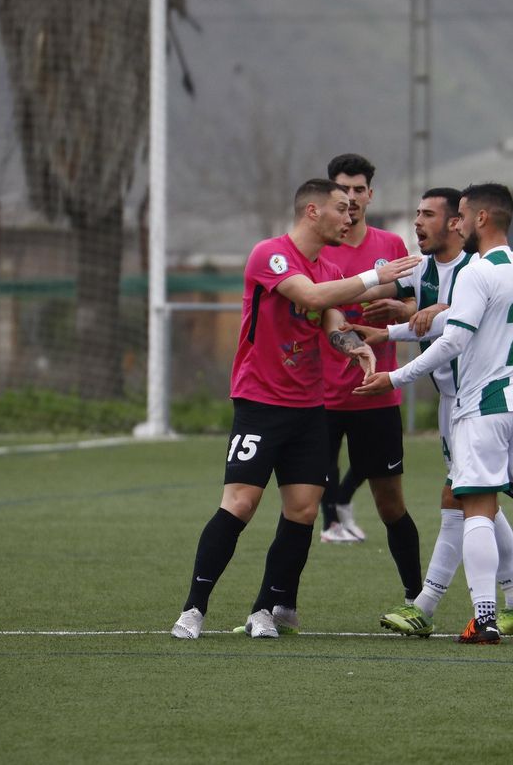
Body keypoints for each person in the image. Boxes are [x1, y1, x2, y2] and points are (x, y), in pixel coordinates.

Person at [171, 179, 418, 640]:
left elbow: (331, 323)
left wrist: (355, 349)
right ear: (312, 211)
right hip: (260, 403)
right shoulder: (272, 254)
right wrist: (376, 278)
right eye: (342, 208)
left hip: (309, 407)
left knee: (303, 511)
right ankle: (193, 608)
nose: (350, 217)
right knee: (241, 503)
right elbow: (310, 298)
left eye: (352, 208)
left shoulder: (325, 268)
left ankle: (264, 608)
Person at [356, 182, 513, 644]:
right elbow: (464, 321)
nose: (457, 220)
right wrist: (396, 328)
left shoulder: (475, 271)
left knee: (475, 505)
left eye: (461, 213)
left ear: (479, 219)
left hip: (484, 404)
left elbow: (454, 338)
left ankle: (486, 618)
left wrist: (394, 379)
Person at [312, 155, 428, 604]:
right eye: (344, 191)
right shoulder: (317, 248)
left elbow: (417, 302)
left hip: (375, 394)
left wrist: (403, 308)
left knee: (391, 505)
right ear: (330, 197)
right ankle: (279, 603)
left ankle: (417, 600)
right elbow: (318, 297)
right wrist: (375, 286)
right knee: (302, 507)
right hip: (318, 398)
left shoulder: (391, 243)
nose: (353, 199)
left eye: (360, 190)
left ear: (370, 195)